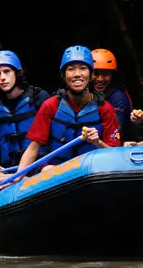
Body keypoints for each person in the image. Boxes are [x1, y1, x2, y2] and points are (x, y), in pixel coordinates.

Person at [12, 45, 121, 177]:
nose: (77, 74)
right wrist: (17, 178)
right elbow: (33, 148)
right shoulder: (51, 105)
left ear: (91, 74)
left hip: (92, 171)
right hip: (57, 172)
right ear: (63, 75)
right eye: (70, 69)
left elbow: (115, 155)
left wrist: (98, 142)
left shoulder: (105, 109)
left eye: (83, 68)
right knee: (46, 170)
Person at [0, 50, 50, 188]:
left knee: (50, 171)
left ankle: (19, 181)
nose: (2, 78)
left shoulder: (38, 97)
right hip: (9, 170)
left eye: (7, 71)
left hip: (39, 165)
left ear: (18, 73)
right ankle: (20, 181)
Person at [91, 48, 133, 141]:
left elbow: (115, 131)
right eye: (96, 73)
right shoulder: (84, 92)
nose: (100, 79)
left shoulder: (118, 97)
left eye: (106, 74)